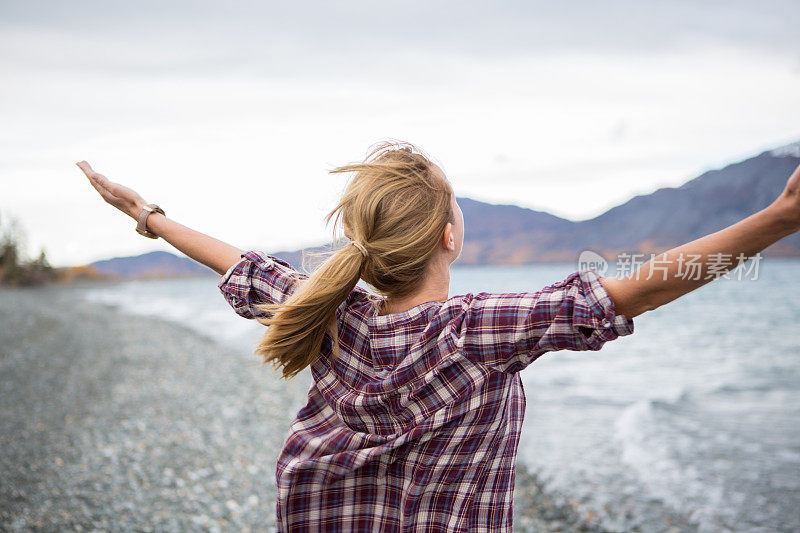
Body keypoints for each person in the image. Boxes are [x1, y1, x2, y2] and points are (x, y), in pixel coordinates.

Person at [77, 141, 800, 532]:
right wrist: (778, 218)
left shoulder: (327, 310)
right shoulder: (473, 328)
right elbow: (634, 287)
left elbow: (235, 261)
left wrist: (148, 216)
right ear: (449, 237)